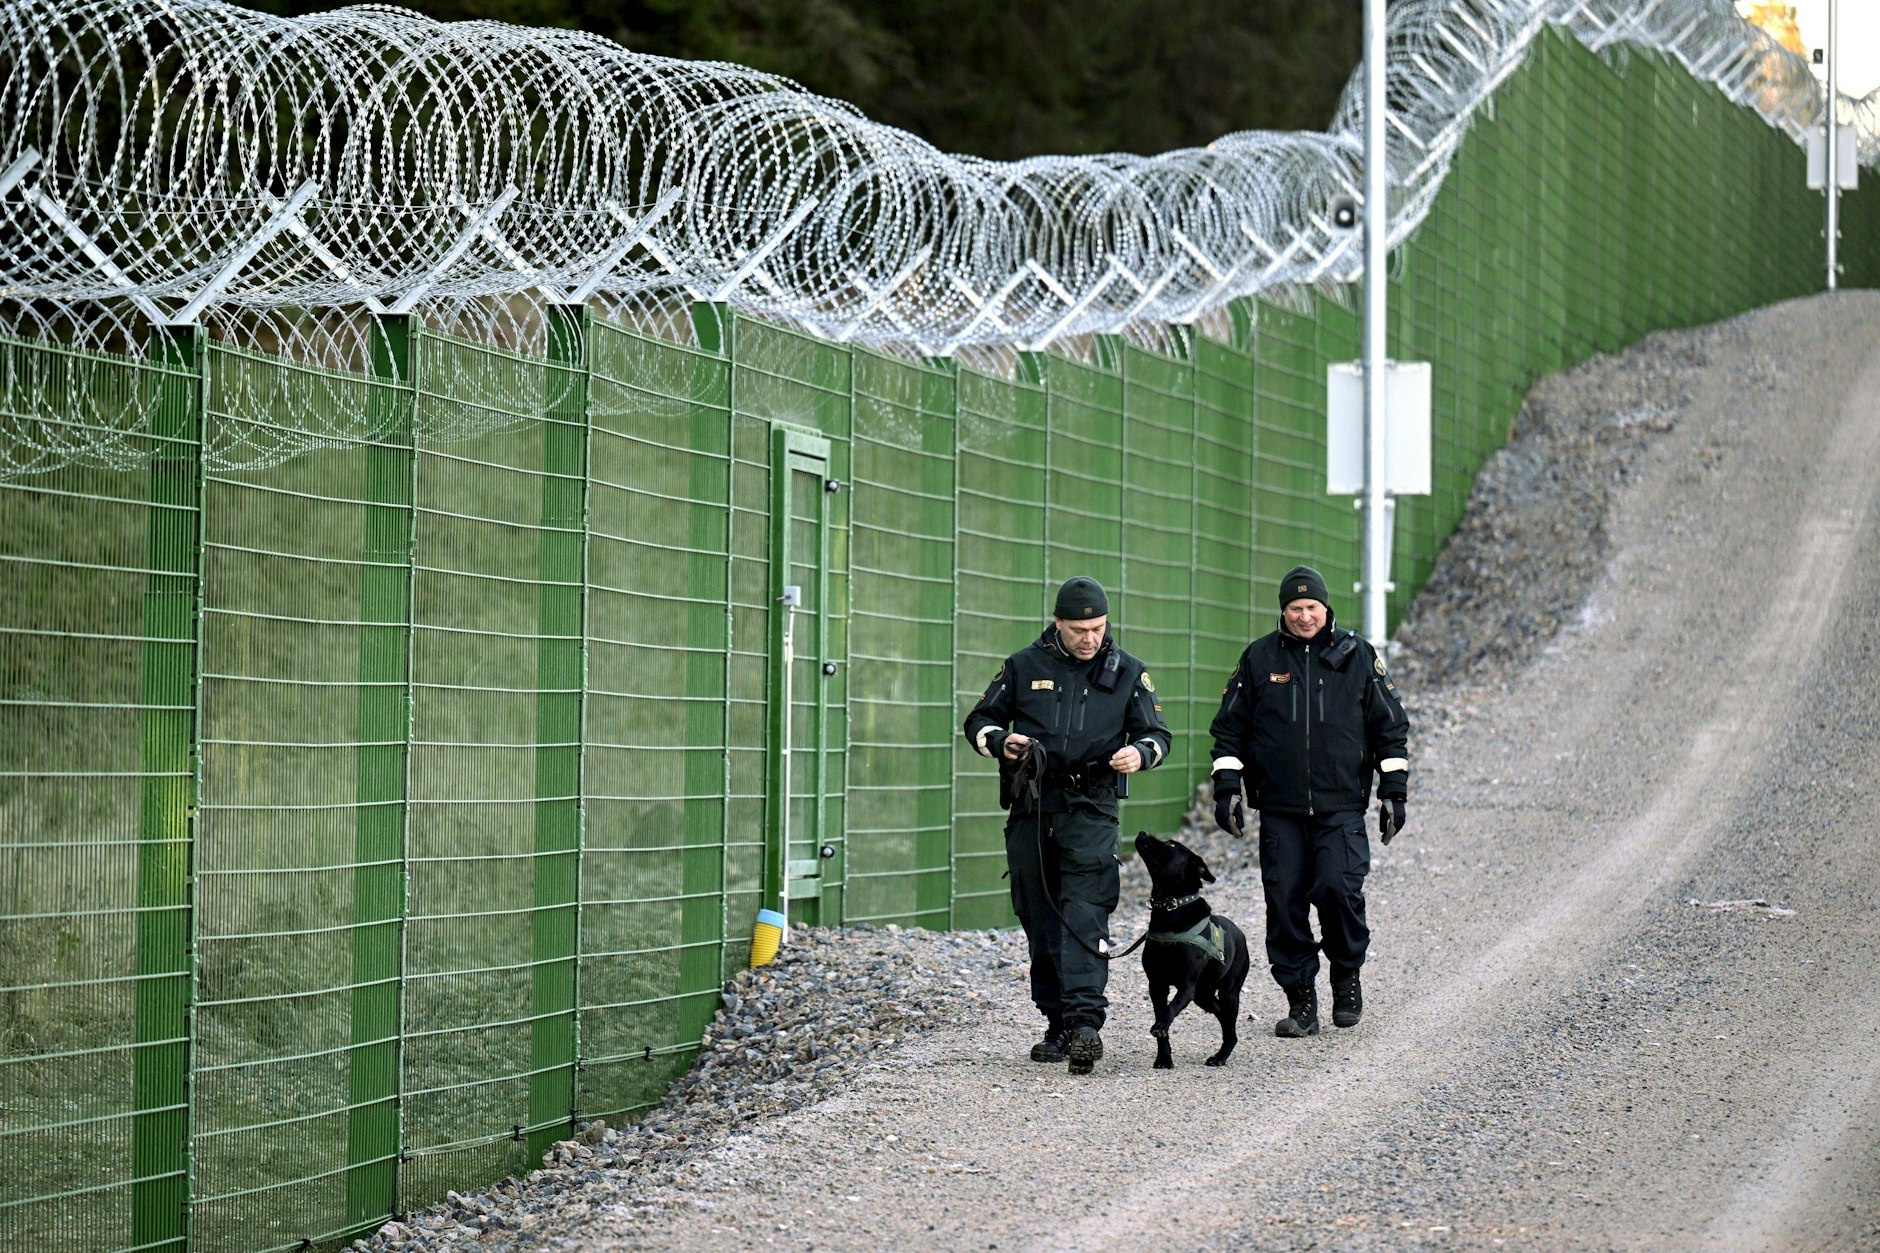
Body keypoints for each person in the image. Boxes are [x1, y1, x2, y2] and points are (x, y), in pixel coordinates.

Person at [964, 576, 1172, 1074]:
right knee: (1038, 915)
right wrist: (1001, 742)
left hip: (1092, 808)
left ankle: (1084, 1024)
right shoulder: (1023, 666)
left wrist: (1140, 755)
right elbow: (978, 721)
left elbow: (1158, 735)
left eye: (1097, 628)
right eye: (1079, 629)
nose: (1089, 638)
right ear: (1058, 623)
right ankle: (1056, 1022)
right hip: (1033, 806)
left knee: (1084, 912)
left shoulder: (1128, 671)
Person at [1207, 564, 1409, 1037]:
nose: (1304, 616)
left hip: (1341, 807)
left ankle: (1346, 978)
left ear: (1325, 607)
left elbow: (1390, 729)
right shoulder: (1259, 658)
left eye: (1311, 607)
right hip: (1281, 810)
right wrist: (1226, 790)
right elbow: (1229, 732)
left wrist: (1393, 794)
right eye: (1295, 608)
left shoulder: (1358, 656)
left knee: (1339, 891)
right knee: (1284, 903)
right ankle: (1300, 999)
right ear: (1283, 611)